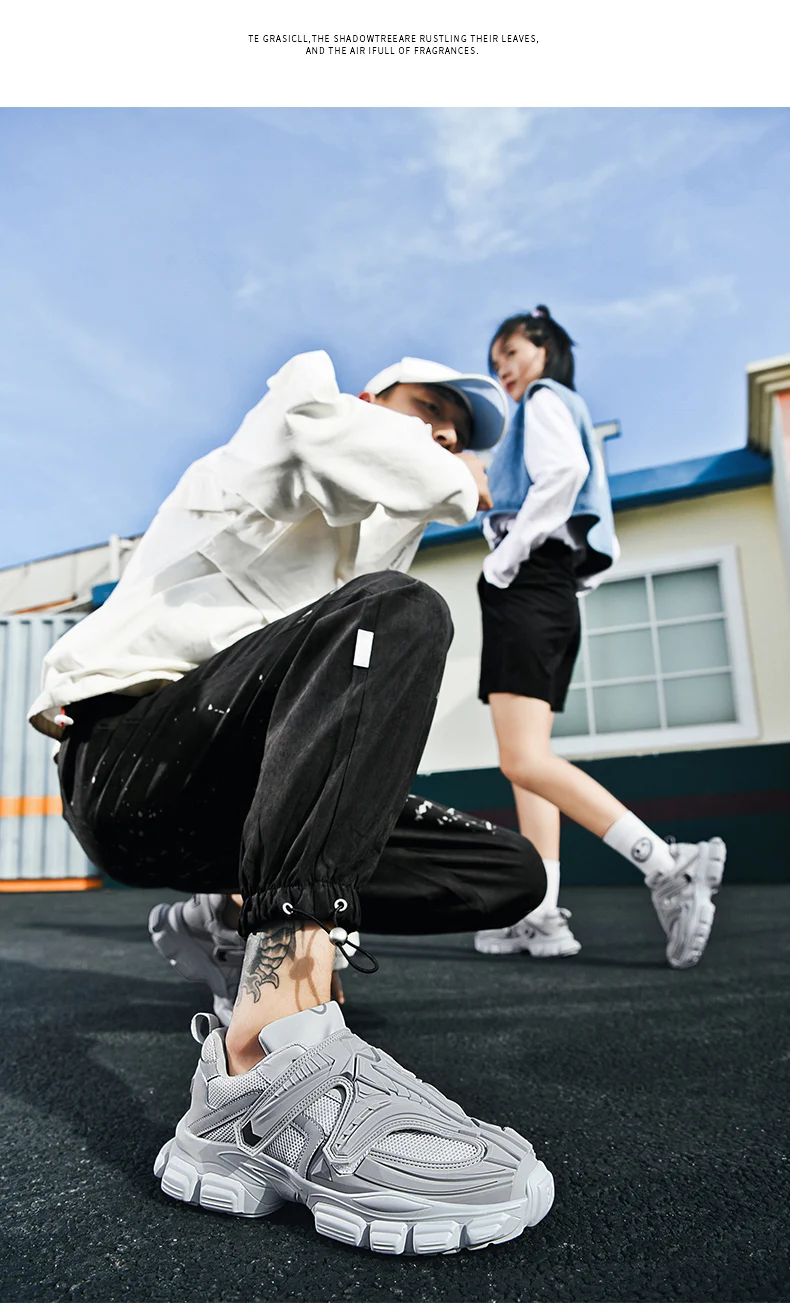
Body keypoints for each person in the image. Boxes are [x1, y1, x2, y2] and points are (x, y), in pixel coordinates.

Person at [30, 350, 555, 1255]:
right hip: (132, 758)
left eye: (459, 428)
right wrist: (468, 477)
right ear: (370, 398)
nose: (443, 432)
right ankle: (265, 1054)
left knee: (507, 871)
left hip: (240, 801)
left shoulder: (366, 548)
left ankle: (231, 918)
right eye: (428, 408)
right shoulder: (303, 405)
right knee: (398, 612)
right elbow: (382, 465)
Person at [473, 308, 725, 966]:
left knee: (523, 762)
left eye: (510, 351)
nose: (502, 367)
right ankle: (541, 914)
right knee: (530, 765)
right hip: (550, 589)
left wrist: (504, 561)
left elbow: (563, 477)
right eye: (495, 359)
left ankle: (668, 866)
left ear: (543, 348)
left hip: (528, 584)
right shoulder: (546, 410)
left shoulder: (544, 400)